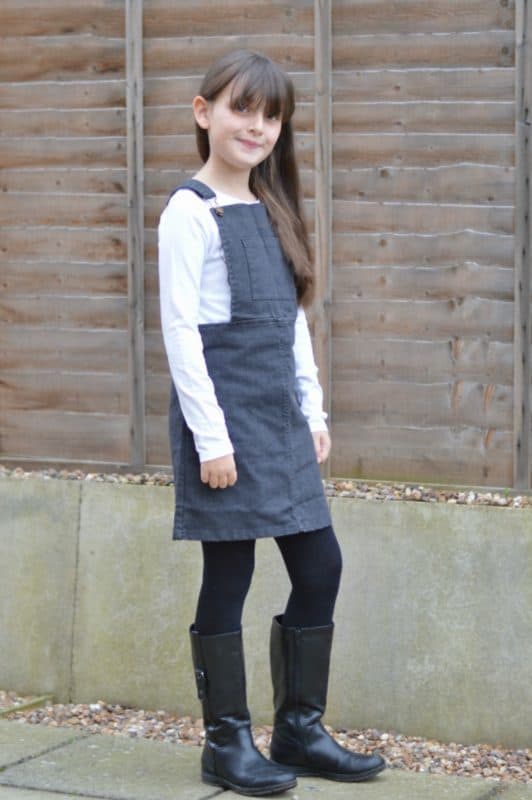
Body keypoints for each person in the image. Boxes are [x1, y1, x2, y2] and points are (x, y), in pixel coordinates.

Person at [158, 49, 386, 797]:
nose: (255, 126)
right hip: (224, 424)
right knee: (231, 574)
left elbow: (292, 327)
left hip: (281, 421)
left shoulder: (271, 206)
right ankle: (226, 743)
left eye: (270, 115)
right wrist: (212, 442)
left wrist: (312, 412)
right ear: (204, 113)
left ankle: (299, 729)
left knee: (320, 566)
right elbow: (182, 337)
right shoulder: (188, 213)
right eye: (240, 109)